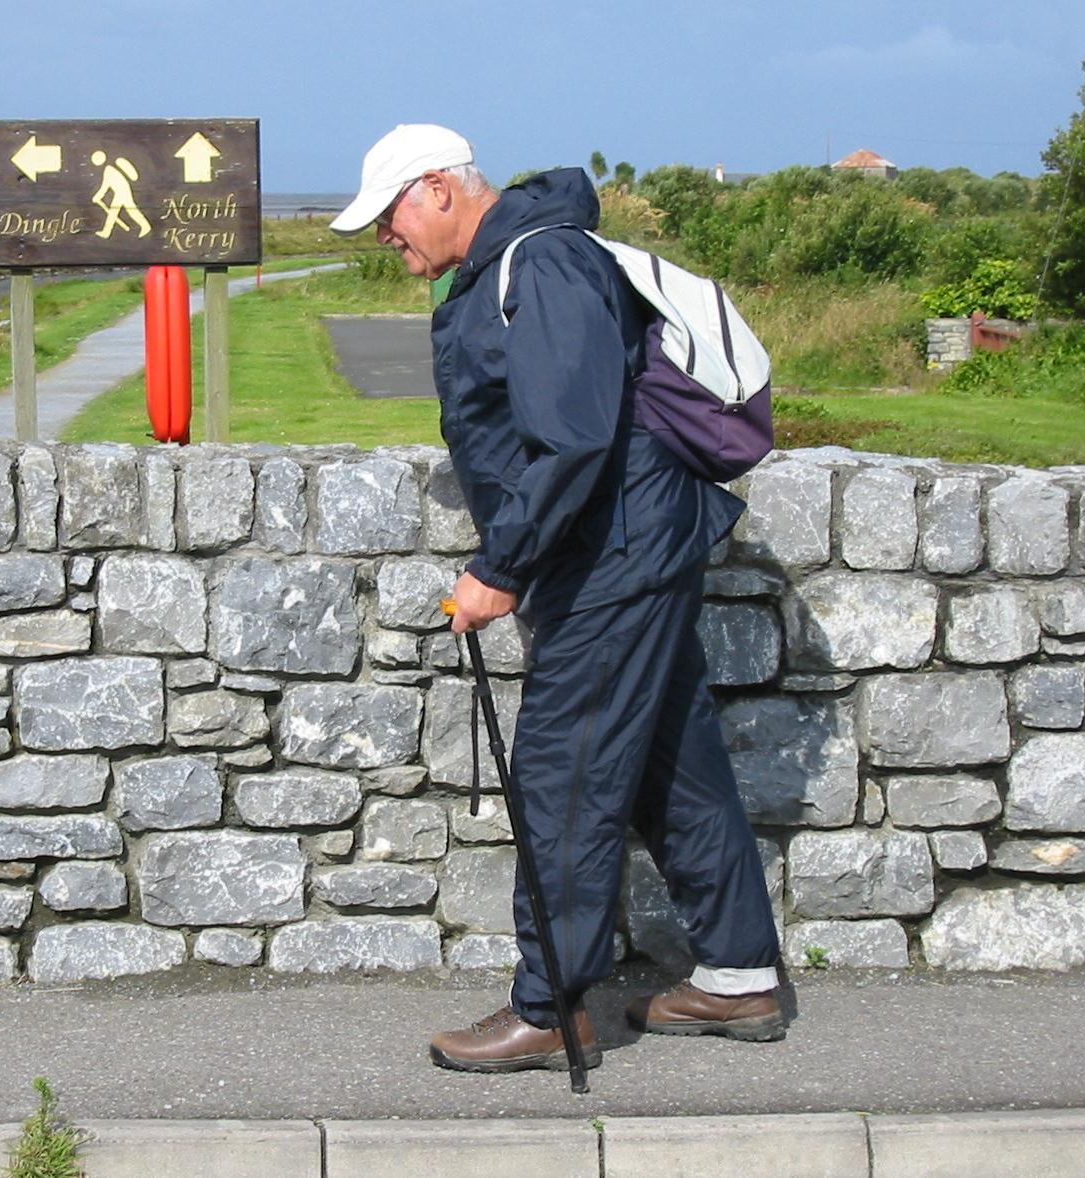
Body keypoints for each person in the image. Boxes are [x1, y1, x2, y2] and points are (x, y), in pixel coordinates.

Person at [331, 125, 784, 1073]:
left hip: (608, 558)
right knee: (671, 761)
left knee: (563, 770)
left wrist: (500, 568)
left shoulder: (539, 263)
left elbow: (572, 436)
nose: (384, 237)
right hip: (624, 546)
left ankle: (551, 1008)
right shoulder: (524, 259)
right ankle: (739, 978)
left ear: (439, 189)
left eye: (389, 215)